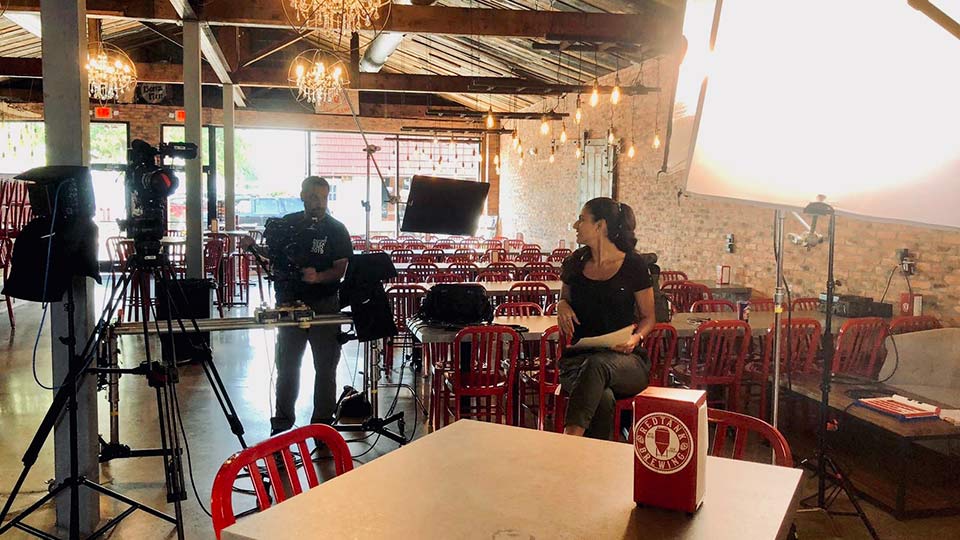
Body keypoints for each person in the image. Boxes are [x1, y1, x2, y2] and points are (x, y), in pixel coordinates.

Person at [245, 176, 352, 435]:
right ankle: (281, 427)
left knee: (325, 368)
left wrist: (318, 276)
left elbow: (341, 268)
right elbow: (277, 255)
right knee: (287, 366)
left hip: (325, 304)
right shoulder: (288, 224)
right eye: (313, 196)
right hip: (289, 303)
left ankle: (322, 428)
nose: (318, 202)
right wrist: (255, 249)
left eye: (323, 197)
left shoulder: (337, 229)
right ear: (302, 195)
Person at [556, 197, 656, 439]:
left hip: (626, 360)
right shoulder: (575, 264)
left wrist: (636, 339)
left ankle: (568, 442)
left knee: (598, 365)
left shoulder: (634, 265)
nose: (575, 225)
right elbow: (563, 299)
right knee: (603, 396)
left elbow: (648, 317)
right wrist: (561, 305)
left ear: (600, 226)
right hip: (578, 360)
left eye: (581, 219)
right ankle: (599, 461)